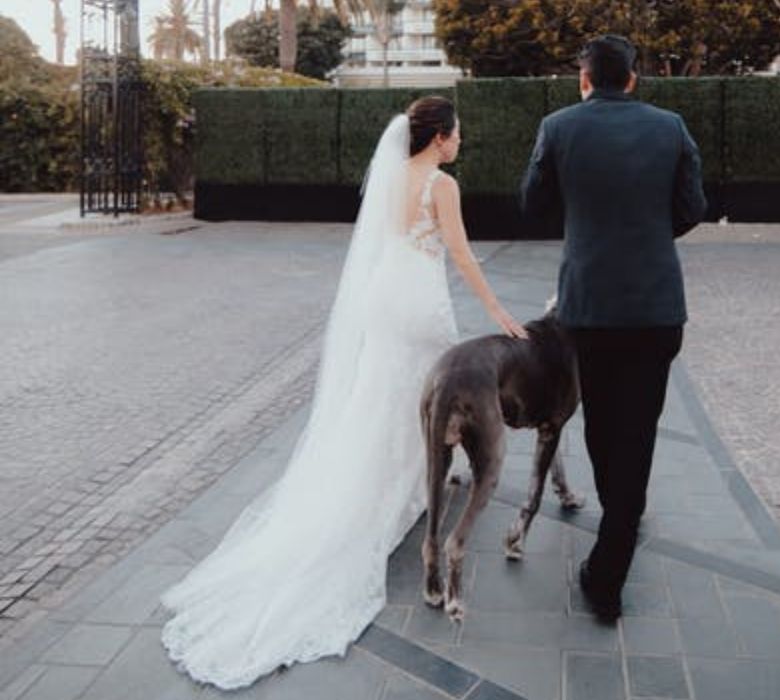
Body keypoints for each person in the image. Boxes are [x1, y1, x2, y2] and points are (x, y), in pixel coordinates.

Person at [160, 96, 527, 690]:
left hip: (384, 297)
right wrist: (498, 311)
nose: (460, 141)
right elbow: (459, 253)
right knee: (426, 397)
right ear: (439, 137)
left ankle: (392, 479)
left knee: (382, 393)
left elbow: (379, 245)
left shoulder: (389, 177)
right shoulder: (442, 185)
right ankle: (410, 486)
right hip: (418, 302)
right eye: (456, 133)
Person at [520, 35, 707, 621]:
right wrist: (645, 233)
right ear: (632, 78)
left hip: (591, 308)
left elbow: (533, 204)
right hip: (656, 305)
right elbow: (692, 208)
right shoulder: (671, 127)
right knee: (640, 427)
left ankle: (609, 568)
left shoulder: (557, 127)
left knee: (602, 426)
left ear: (584, 79)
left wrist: (587, 223)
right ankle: (624, 516)